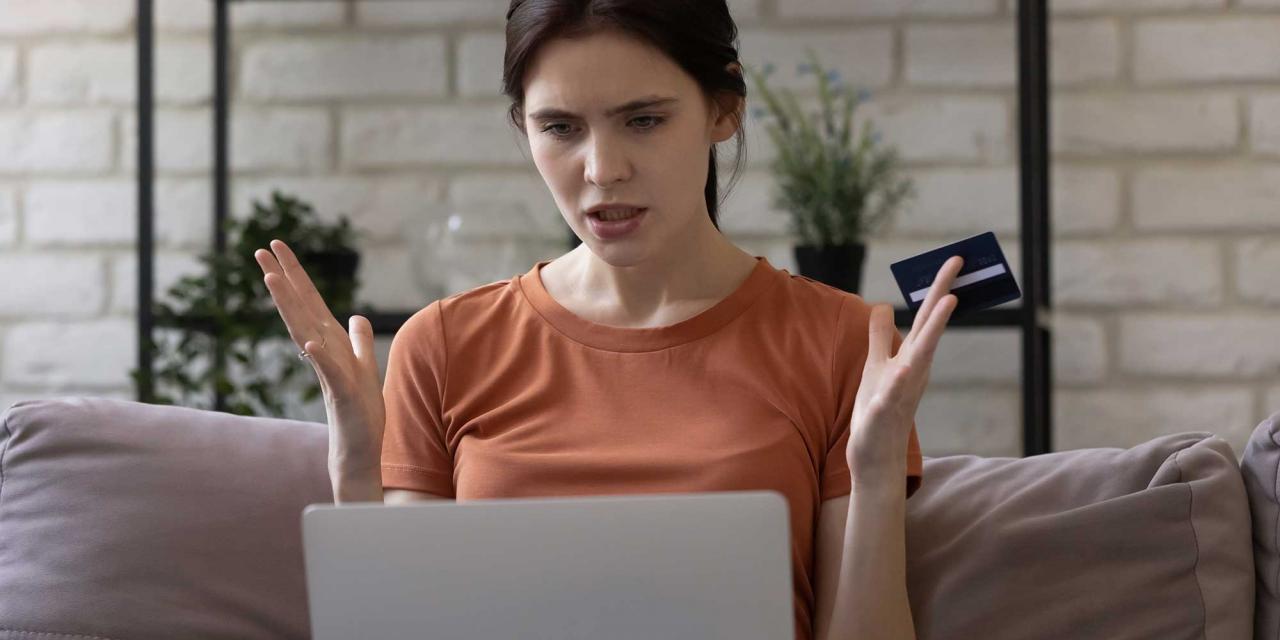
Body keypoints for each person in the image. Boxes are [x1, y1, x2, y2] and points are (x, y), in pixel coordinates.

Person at [255, 1, 963, 638]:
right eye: (560, 127)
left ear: (724, 107)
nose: (602, 169)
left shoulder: (840, 340)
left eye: (644, 120)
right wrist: (355, 465)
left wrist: (872, 478)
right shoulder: (443, 345)